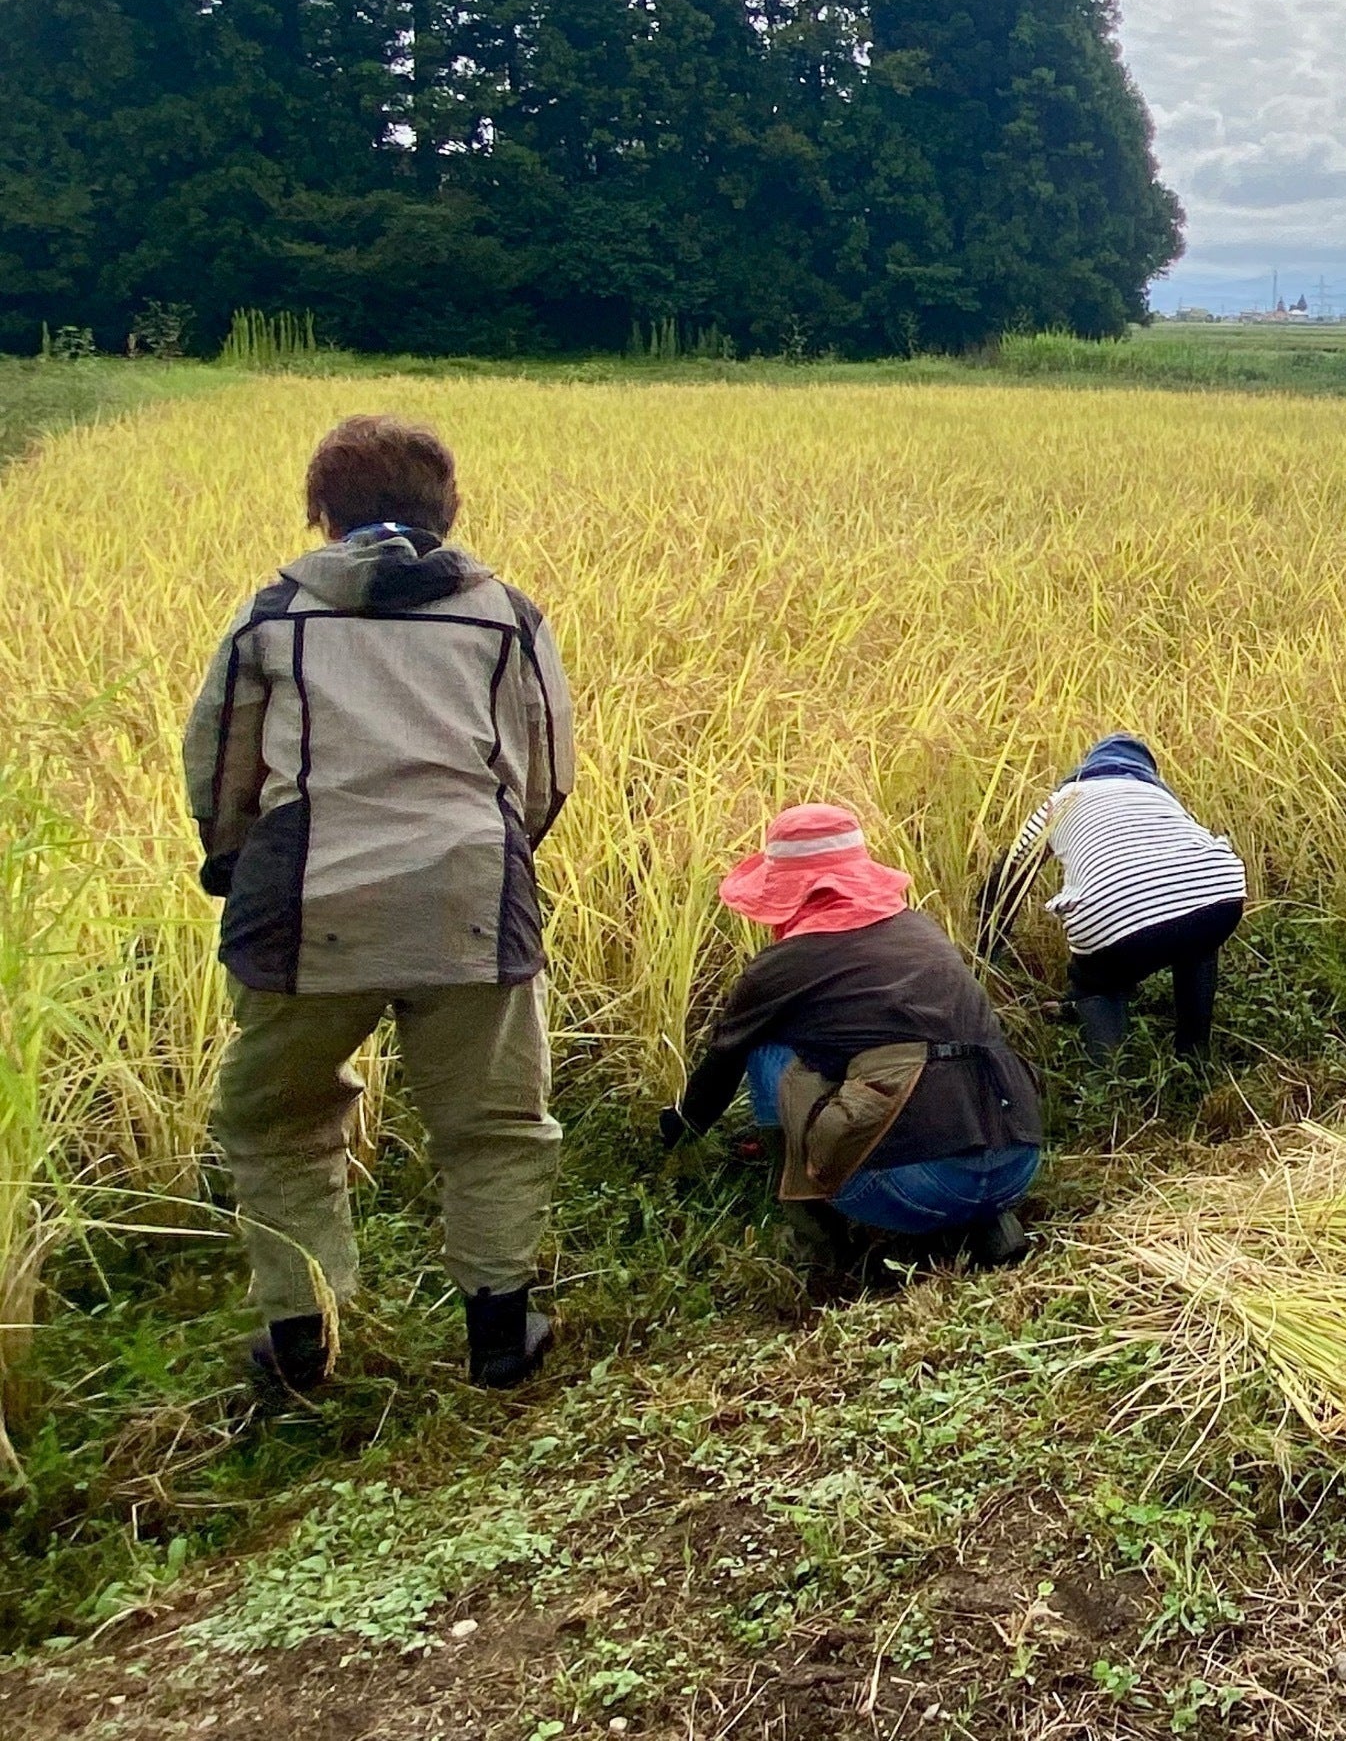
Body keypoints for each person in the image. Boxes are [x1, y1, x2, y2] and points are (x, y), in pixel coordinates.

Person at [182, 414, 575, 1396]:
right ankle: (499, 1335)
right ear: (449, 509)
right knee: (491, 1123)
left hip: (305, 907)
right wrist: (491, 858)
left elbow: (218, 770)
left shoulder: (273, 616)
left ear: (324, 513)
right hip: (470, 896)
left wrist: (237, 863)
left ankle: (303, 1338)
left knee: (276, 1119)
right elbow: (546, 775)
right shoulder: (506, 617)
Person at [664, 804, 1046, 1279]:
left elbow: (722, 1063)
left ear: (788, 891)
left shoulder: (783, 964)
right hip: (1018, 1160)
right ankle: (987, 1221)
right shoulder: (922, 932)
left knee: (764, 1051)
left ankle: (821, 1247)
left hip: (911, 1187)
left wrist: (679, 1133)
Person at [983, 734, 1246, 1063]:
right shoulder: (1159, 794)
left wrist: (988, 946)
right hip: (1219, 891)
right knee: (1196, 939)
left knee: (1099, 979)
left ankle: (1109, 1085)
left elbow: (1011, 872)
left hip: (1112, 913)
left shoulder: (1063, 798)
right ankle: (1194, 1055)